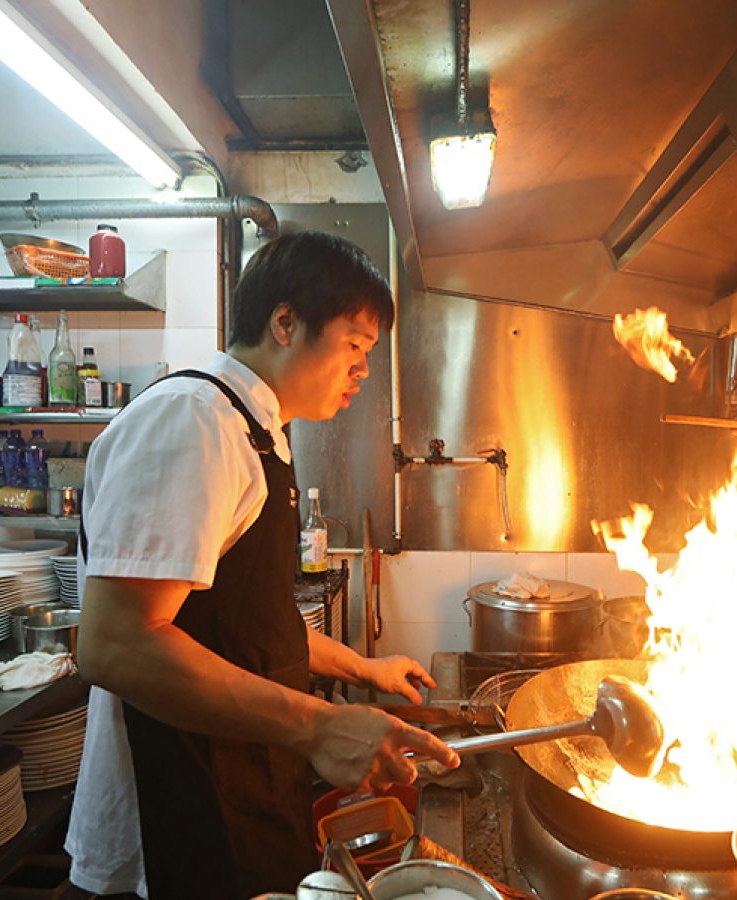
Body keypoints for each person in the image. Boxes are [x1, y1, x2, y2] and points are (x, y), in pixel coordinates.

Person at [65, 231, 460, 900]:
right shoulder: (192, 423)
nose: (364, 371)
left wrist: (363, 669)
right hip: (174, 811)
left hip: (233, 782)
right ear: (285, 322)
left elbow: (242, 621)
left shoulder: (255, 430)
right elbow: (114, 645)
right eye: (356, 345)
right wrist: (320, 725)